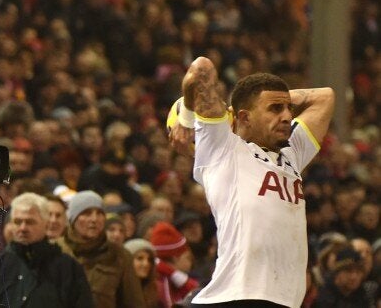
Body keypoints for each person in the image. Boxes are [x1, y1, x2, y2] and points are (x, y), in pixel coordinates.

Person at [172, 57, 335, 307]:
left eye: (288, 108)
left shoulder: (292, 153)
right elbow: (201, 68)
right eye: (275, 109)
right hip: (238, 296)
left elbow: (325, 96)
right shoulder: (223, 149)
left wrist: (274, 98)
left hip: (282, 300)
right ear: (244, 117)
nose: (286, 116)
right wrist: (185, 119)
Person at [0, 192, 94, 308]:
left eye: (30, 222)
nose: (23, 228)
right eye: (18, 221)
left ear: (46, 224)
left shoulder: (68, 268)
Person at [55, 190, 146, 307]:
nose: (94, 219)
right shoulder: (55, 250)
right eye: (87, 213)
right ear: (73, 218)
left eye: (100, 213)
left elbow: (134, 303)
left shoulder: (120, 255)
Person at [149, 221, 199, 307]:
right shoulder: (161, 282)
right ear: (175, 257)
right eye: (187, 257)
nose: (191, 262)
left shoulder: (173, 281)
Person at [124, 238, 160, 308]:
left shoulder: (153, 291)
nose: (146, 264)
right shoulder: (116, 291)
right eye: (140, 258)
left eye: (149, 260)